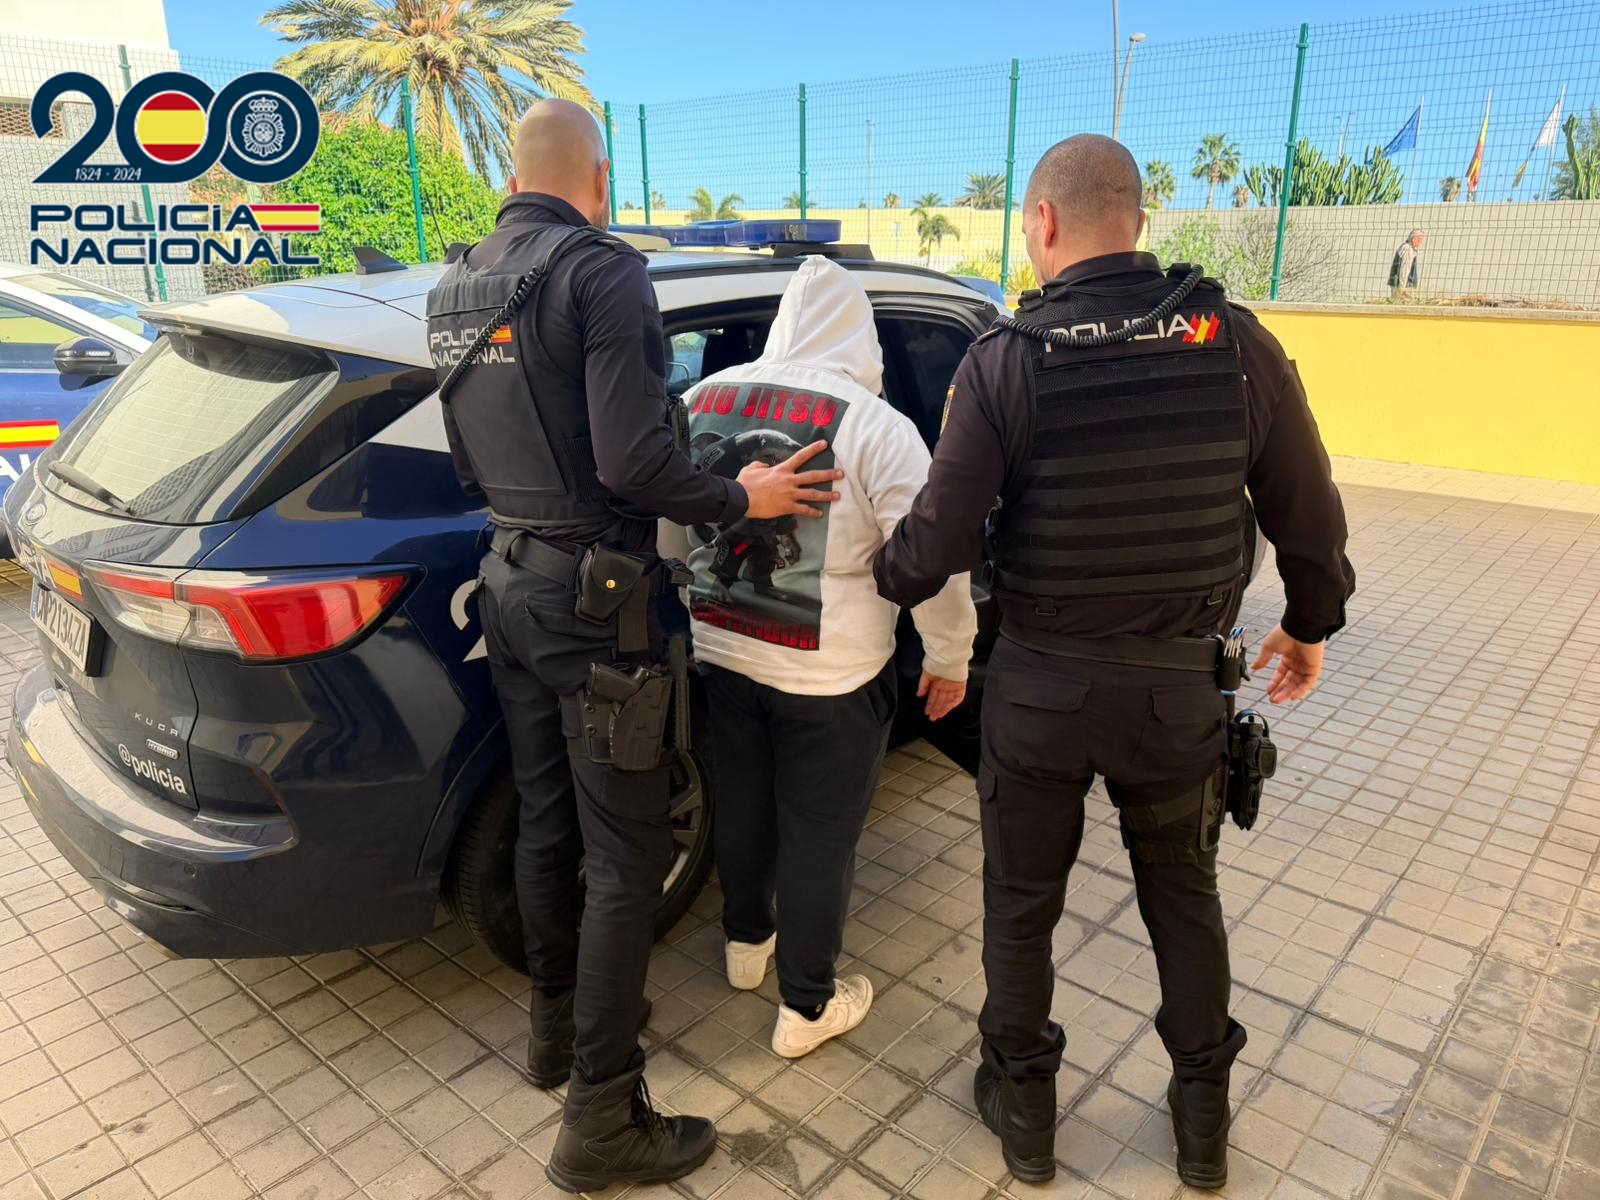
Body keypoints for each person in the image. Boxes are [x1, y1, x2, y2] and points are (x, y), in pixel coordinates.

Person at [874, 134, 1355, 1190]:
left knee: (1020, 904)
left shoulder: (1007, 358)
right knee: (1183, 897)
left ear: (1042, 223)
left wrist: (880, 569)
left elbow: (937, 540)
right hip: (1178, 695)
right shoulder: (1231, 340)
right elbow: (1310, 512)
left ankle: (1026, 1116)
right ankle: (1201, 1125)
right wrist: (1309, 621)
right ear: (1137, 221)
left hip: (1039, 691)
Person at [425, 99, 845, 1195]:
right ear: (600, 179)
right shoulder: (602, 272)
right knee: (623, 859)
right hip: (597, 608)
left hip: (508, 585)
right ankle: (602, 1121)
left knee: (546, 821)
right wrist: (744, 496)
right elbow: (633, 466)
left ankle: (556, 1034)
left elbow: (469, 461)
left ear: (514, 178)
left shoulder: (456, 283)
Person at [671, 257, 977, 1060]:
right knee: (818, 837)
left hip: (722, 652)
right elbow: (932, 557)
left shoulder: (703, 398)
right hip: (831, 679)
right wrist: (950, 655)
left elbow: (673, 520)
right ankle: (806, 1005)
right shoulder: (877, 426)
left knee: (743, 804)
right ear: (860, 335)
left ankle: (746, 946)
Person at [1389, 229, 1424, 294]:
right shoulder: (1408, 250)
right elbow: (1405, 269)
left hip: (1398, 285)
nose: (1421, 243)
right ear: (1414, 239)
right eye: (1420, 240)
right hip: (1405, 287)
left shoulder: (1405, 247)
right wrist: (1402, 288)